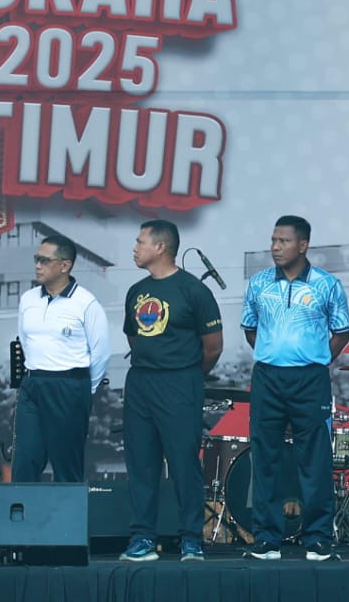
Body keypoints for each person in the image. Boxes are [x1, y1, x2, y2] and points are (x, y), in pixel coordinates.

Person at [241, 215, 349, 562]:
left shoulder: (327, 285)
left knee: (315, 459)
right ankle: (267, 540)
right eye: (273, 240)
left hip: (310, 380)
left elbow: (341, 332)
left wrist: (314, 359)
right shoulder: (259, 284)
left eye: (283, 241)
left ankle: (317, 538)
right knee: (265, 457)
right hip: (268, 378)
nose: (275, 247)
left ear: (303, 245)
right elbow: (250, 329)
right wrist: (276, 355)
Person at [117, 220, 223, 563]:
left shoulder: (193, 290)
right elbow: (133, 337)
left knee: (183, 463)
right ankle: (142, 538)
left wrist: (186, 375)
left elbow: (213, 347)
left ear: (160, 247)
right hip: (141, 383)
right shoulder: (136, 291)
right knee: (141, 464)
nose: (135, 248)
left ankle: (191, 538)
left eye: (140, 241)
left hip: (180, 383)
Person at [13, 234, 110, 483]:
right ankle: (23, 509)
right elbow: (25, 341)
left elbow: (100, 353)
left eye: (44, 260)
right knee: (26, 458)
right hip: (33, 384)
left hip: (69, 386)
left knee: (66, 463)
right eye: (36, 259)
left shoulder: (85, 303)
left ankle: (68, 511)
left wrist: (82, 388)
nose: (37, 265)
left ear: (65, 265)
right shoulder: (28, 299)